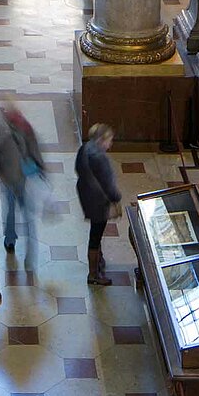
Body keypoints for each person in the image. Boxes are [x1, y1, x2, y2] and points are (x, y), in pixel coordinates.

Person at [0, 105, 46, 280]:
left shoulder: (7, 129)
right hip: (15, 178)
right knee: (21, 213)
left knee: (17, 212)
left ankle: (14, 242)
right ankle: (19, 246)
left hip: (14, 178)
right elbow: (34, 149)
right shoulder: (19, 127)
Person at [75, 123, 122, 287]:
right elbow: (108, 185)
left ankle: (98, 261)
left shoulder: (85, 148)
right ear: (101, 140)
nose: (111, 144)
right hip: (98, 201)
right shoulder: (100, 158)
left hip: (86, 196)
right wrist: (116, 199)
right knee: (96, 234)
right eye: (110, 140)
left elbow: (77, 169)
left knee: (96, 231)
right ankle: (93, 274)